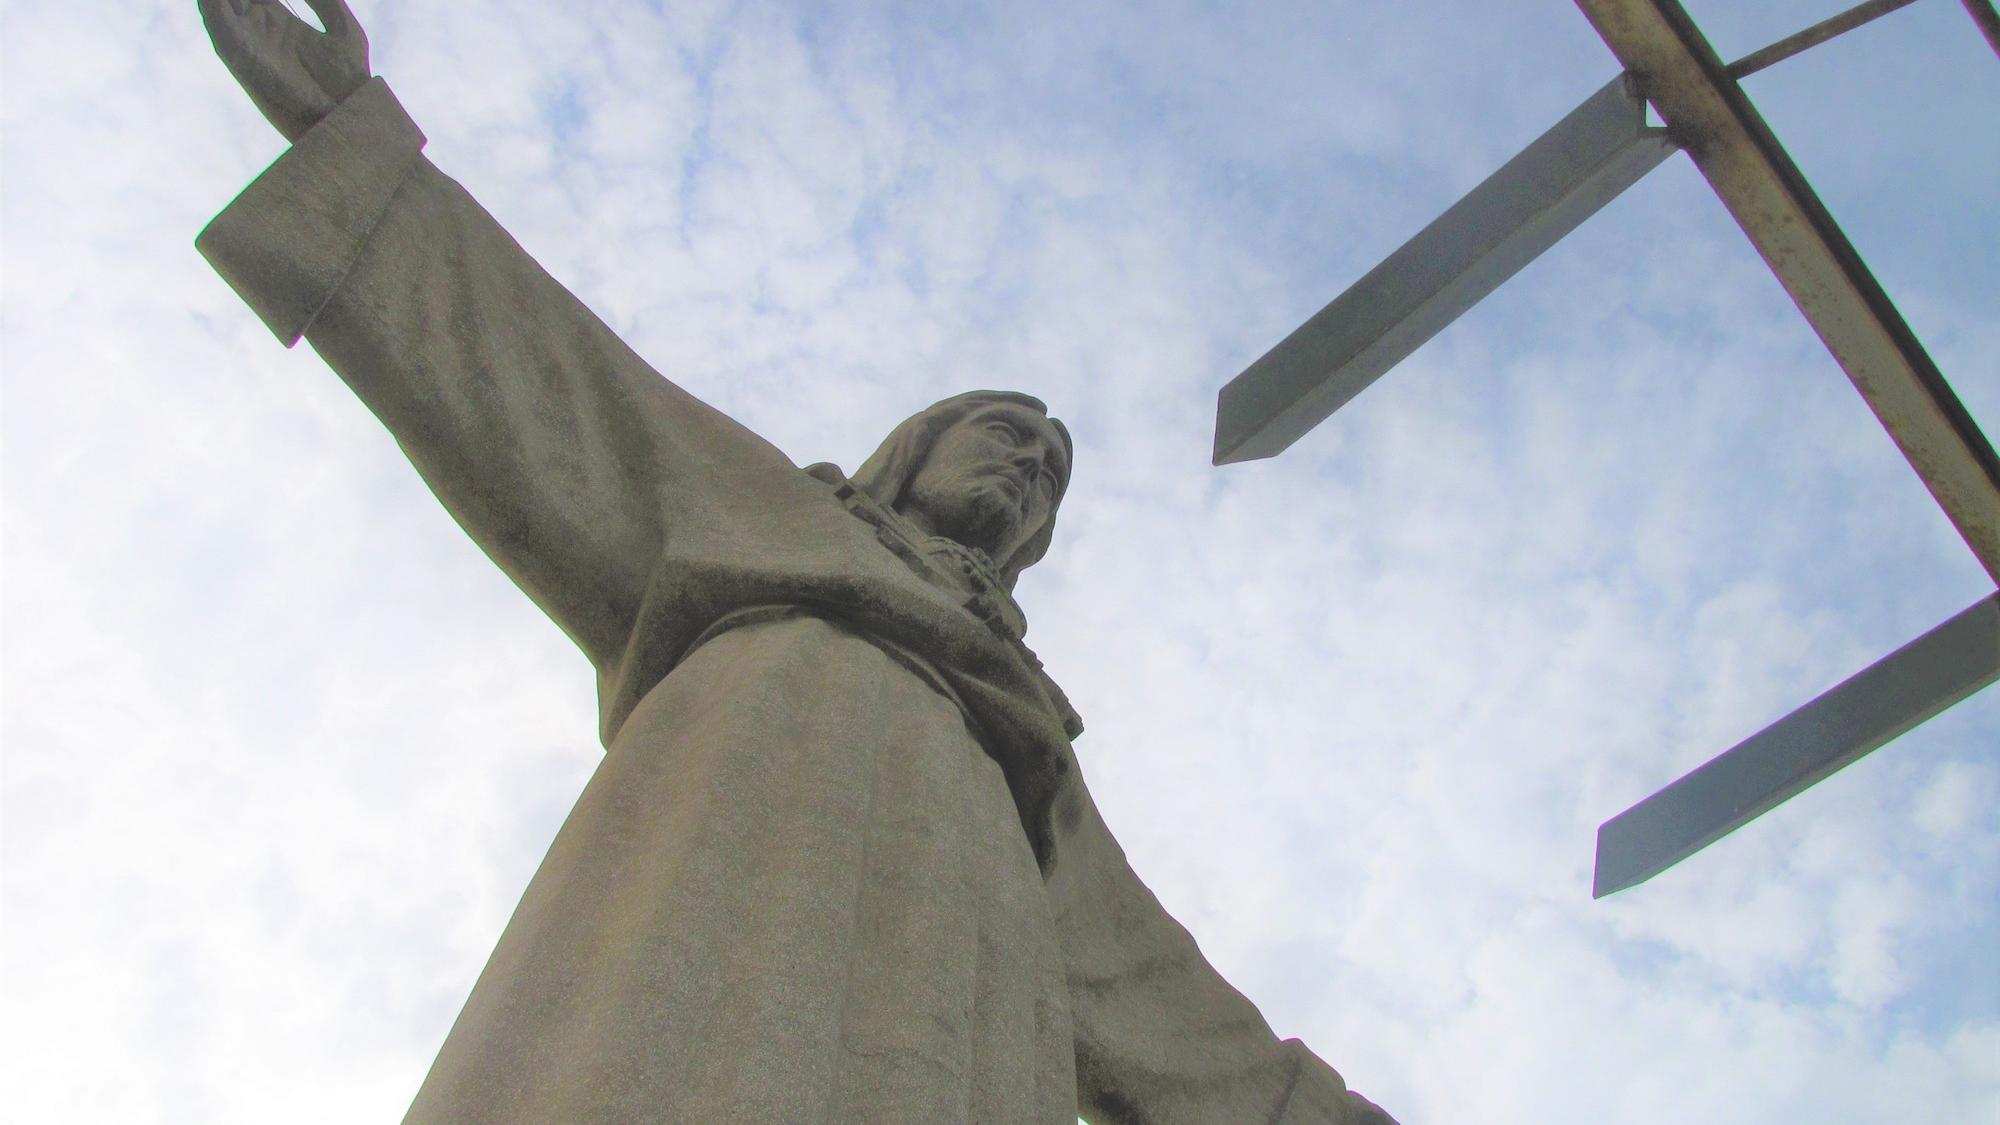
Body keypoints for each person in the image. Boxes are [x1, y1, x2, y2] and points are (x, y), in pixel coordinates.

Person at [196, 2, 1398, 1121]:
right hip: (726, 844)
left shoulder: (1019, 741)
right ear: (911, 449)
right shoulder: (760, 512)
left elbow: (1155, 992)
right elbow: (557, 380)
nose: (1029, 473)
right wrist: (357, 147)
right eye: (1008, 436)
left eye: (1047, 480)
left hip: (963, 990)